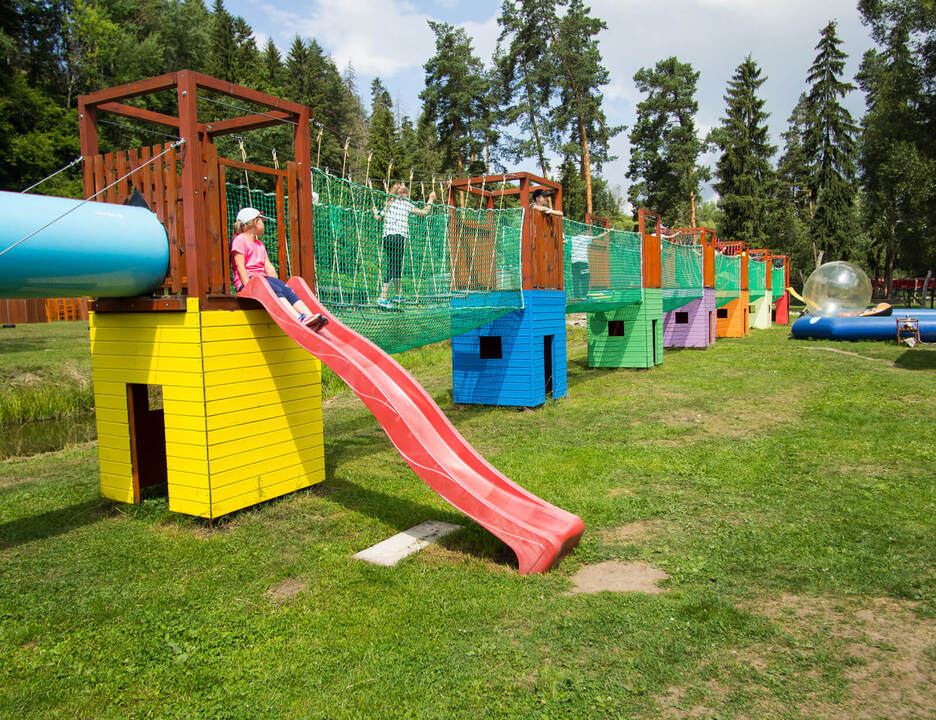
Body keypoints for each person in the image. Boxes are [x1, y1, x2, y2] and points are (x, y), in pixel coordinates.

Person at [231, 207, 327, 330]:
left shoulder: (259, 244)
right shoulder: (239, 240)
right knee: (274, 288)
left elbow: (268, 266)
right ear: (255, 222)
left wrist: (277, 282)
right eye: (262, 221)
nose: (263, 224)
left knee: (285, 289)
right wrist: (248, 286)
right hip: (249, 281)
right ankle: (298, 318)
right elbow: (240, 265)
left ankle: (310, 316)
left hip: (262, 279)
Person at [372, 183, 436, 309]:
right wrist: (431, 199)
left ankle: (398, 294)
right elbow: (424, 212)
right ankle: (382, 298)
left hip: (387, 237)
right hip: (399, 237)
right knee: (393, 265)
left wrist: (375, 211)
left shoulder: (389, 204)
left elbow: (378, 218)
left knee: (397, 264)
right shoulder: (406, 204)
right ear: (405, 195)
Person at [567, 228, 609, 298]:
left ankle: (576, 296)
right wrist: (607, 231)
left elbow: (565, 241)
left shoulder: (572, 238)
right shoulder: (585, 238)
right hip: (583, 261)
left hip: (574, 262)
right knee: (585, 278)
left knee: (575, 279)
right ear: (583, 232)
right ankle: (584, 295)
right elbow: (597, 237)